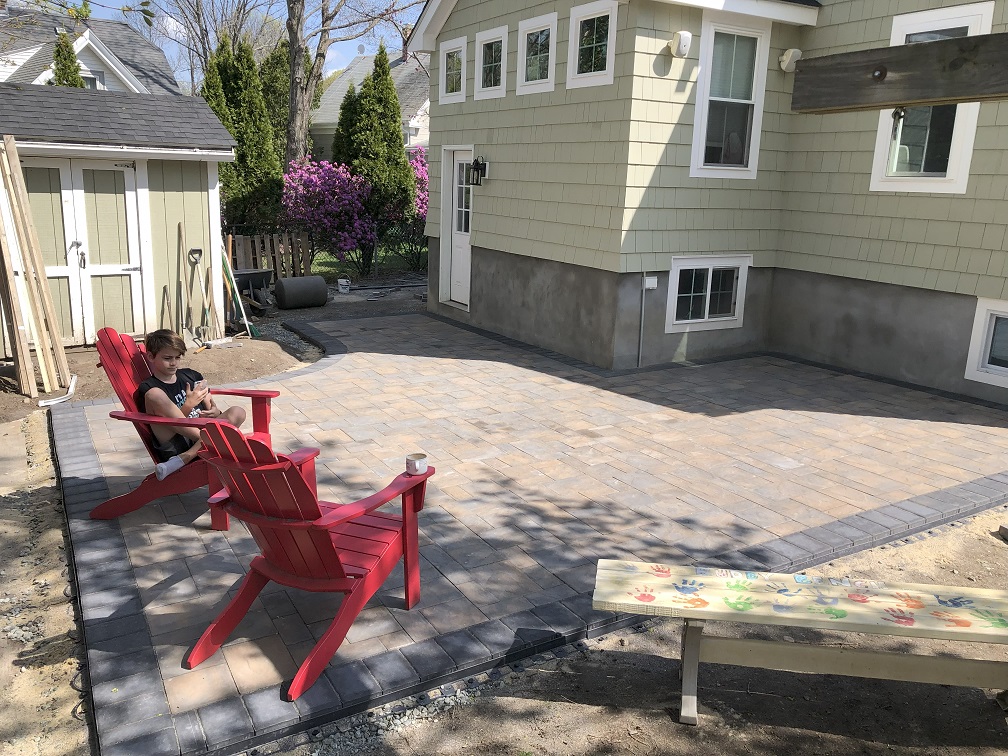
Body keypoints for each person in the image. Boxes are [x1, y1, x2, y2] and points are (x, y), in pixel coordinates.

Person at [136, 329, 246, 480]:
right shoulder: (149, 388)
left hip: (199, 438)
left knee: (238, 411)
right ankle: (214, 440)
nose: (174, 363)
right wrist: (189, 405)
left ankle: (186, 457)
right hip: (175, 441)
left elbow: (211, 405)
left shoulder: (191, 375)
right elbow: (168, 422)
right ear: (150, 356)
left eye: (178, 357)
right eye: (167, 358)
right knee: (155, 395)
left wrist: (215, 411)